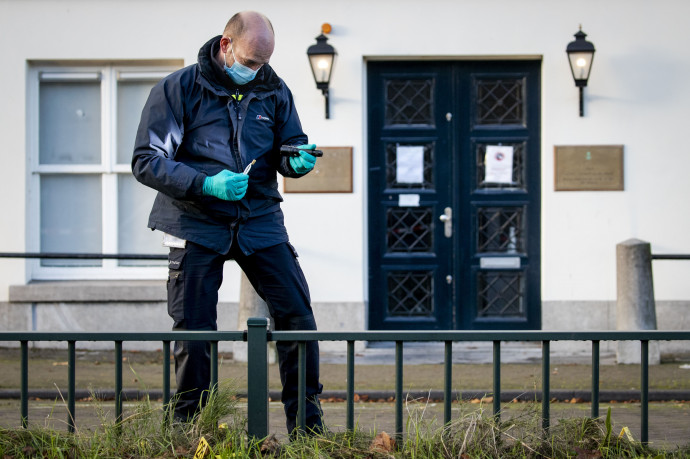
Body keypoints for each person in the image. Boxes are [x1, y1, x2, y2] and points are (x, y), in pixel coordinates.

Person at [131, 11, 324, 435]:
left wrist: (296, 161)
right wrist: (205, 183)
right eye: (251, 61)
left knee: (297, 318)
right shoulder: (177, 89)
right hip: (194, 221)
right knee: (196, 331)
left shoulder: (273, 89)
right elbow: (146, 161)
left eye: (264, 63)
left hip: (258, 219)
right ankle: (192, 432)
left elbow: (288, 147)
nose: (256, 72)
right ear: (226, 45)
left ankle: (308, 432)